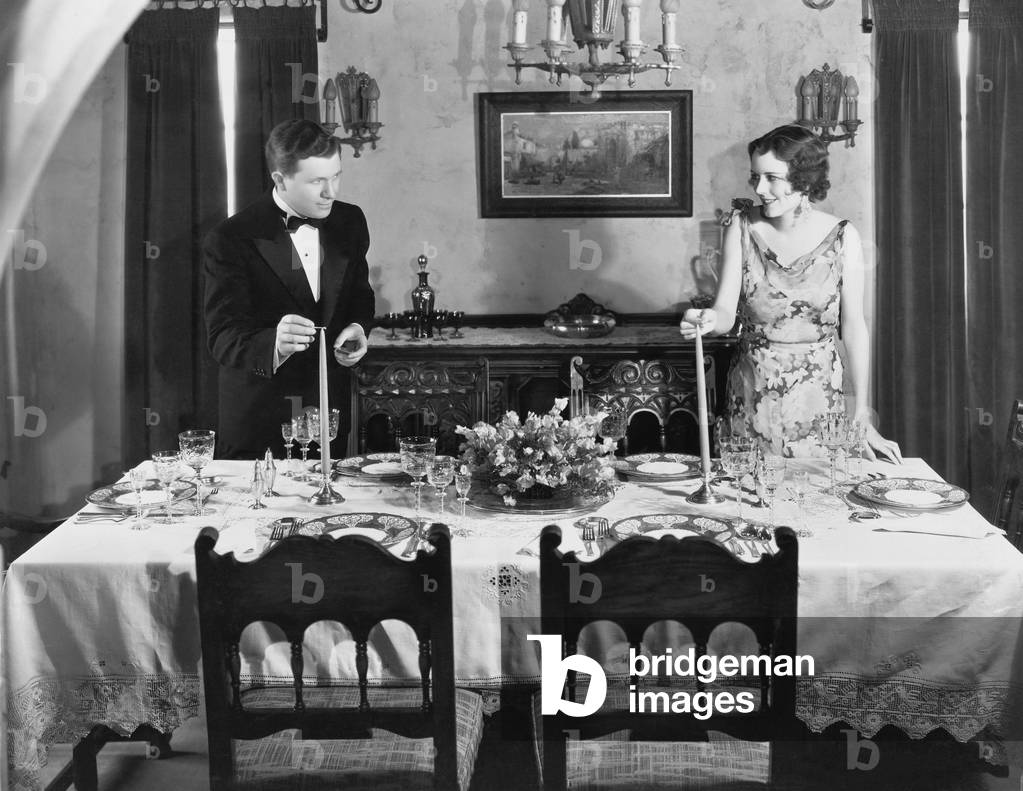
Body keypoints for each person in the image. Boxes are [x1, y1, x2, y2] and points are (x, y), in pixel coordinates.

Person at [680, 124, 901, 461]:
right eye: (755, 177)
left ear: (804, 179)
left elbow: (854, 327)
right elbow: (725, 313)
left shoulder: (844, 238)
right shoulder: (741, 228)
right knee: (747, 503)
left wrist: (862, 415)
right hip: (752, 394)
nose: (760, 188)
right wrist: (708, 318)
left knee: (815, 500)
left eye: (772, 177)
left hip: (820, 400)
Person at [204, 119, 375, 459]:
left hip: (328, 414)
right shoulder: (229, 239)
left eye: (336, 176)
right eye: (317, 181)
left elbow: (359, 295)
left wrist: (357, 327)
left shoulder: (350, 221)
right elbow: (221, 338)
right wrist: (274, 344)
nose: (332, 192)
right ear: (280, 180)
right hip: (259, 422)